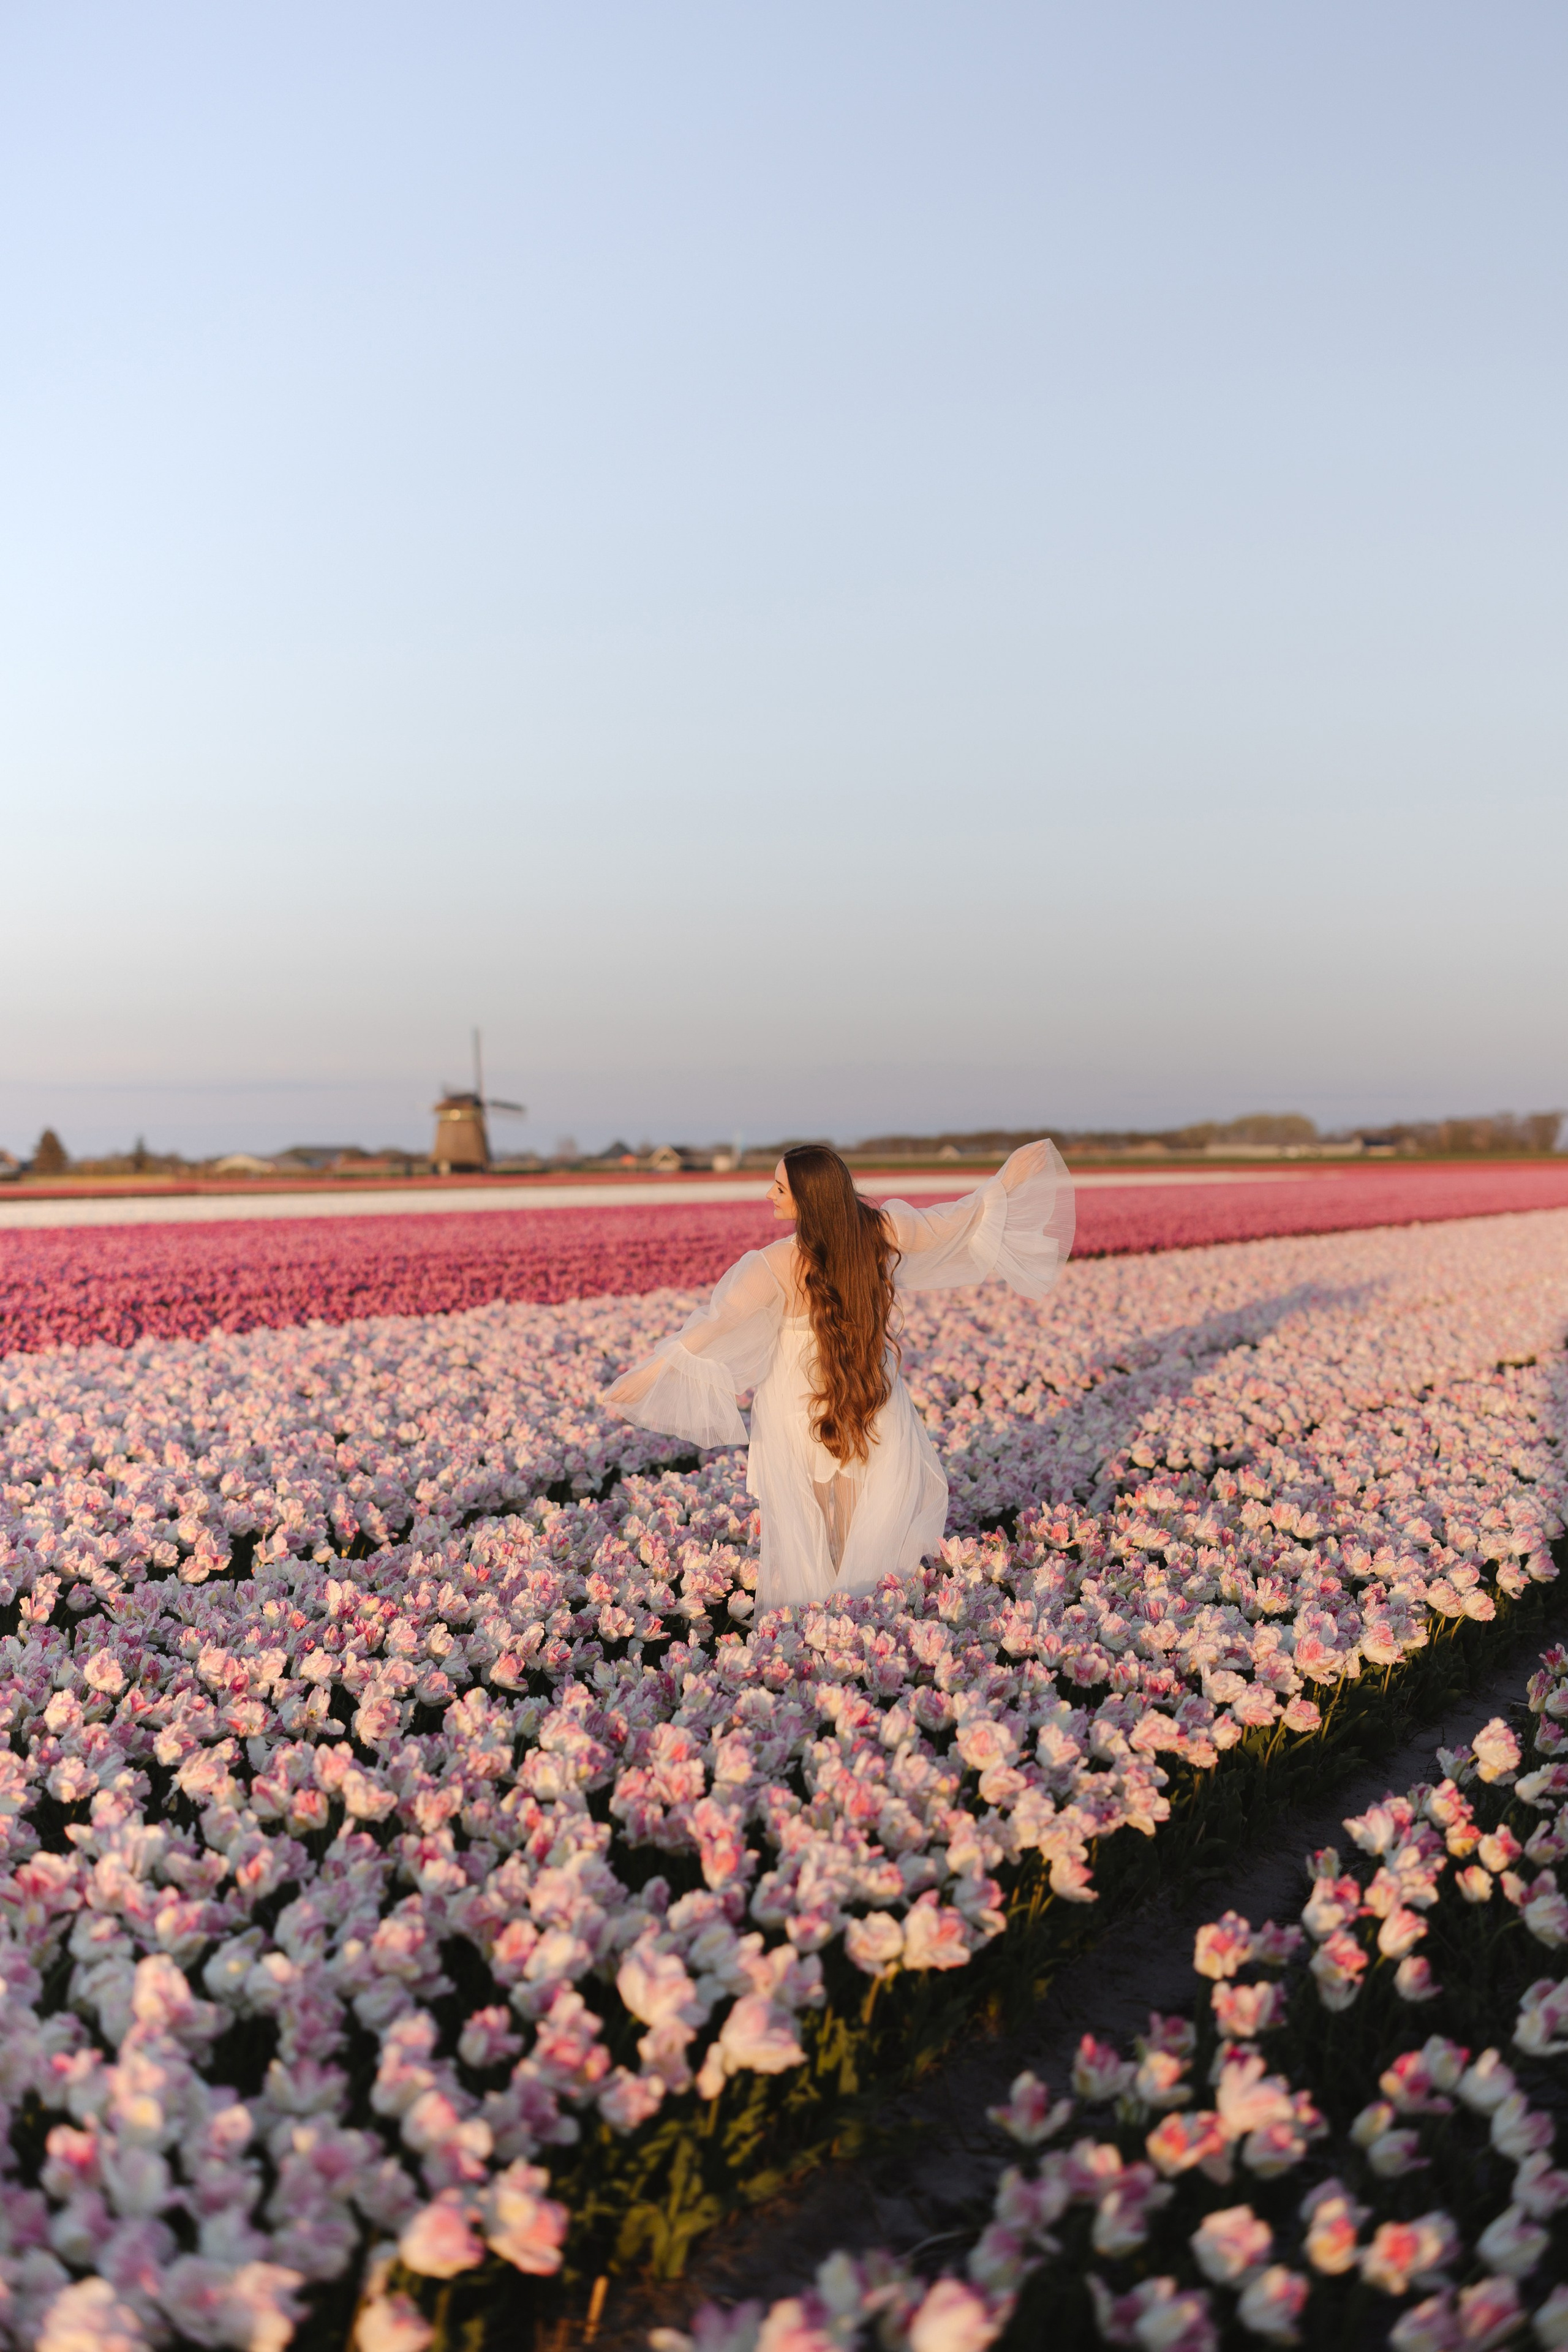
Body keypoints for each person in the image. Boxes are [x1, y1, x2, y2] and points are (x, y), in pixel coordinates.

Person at [601, 1139, 1074, 1613]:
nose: (769, 1194)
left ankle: (812, 1618)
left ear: (810, 1198)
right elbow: (956, 1221)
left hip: (796, 1401)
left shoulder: (772, 1264)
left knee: (806, 1519)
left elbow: (711, 1327)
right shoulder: (881, 1232)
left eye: (780, 1187)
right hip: (865, 1390)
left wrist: (647, 1375)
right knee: (857, 1508)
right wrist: (1005, 1184)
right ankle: (860, 1611)